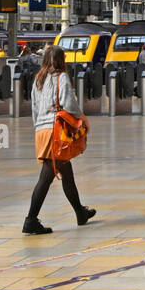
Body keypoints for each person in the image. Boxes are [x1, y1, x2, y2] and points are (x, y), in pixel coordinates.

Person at [23, 44, 95, 235]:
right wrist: (83, 118)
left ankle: (80, 212)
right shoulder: (61, 77)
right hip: (56, 132)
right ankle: (30, 220)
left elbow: (35, 110)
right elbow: (69, 105)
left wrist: (40, 128)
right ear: (61, 60)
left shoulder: (38, 79)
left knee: (66, 171)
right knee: (46, 177)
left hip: (42, 131)